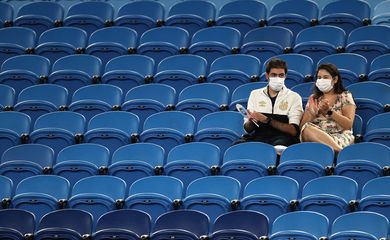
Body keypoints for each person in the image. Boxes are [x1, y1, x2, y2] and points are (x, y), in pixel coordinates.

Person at [237, 58, 304, 147]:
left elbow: (293, 131)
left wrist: (267, 120)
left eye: (281, 75)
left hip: (283, 138)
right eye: (274, 75)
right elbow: (248, 129)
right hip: (259, 136)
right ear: (267, 76)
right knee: (238, 145)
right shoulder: (255, 94)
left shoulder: (294, 97)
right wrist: (251, 121)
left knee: (277, 147)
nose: (278, 78)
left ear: (285, 76)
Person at [300, 63, 356, 152]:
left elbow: (348, 125)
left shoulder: (345, 96)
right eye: (319, 77)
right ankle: (339, 152)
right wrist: (311, 113)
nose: (321, 80)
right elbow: (302, 128)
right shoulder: (314, 98)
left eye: (325, 77)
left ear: (335, 79)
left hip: (339, 136)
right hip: (317, 137)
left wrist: (329, 112)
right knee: (307, 129)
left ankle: (338, 151)